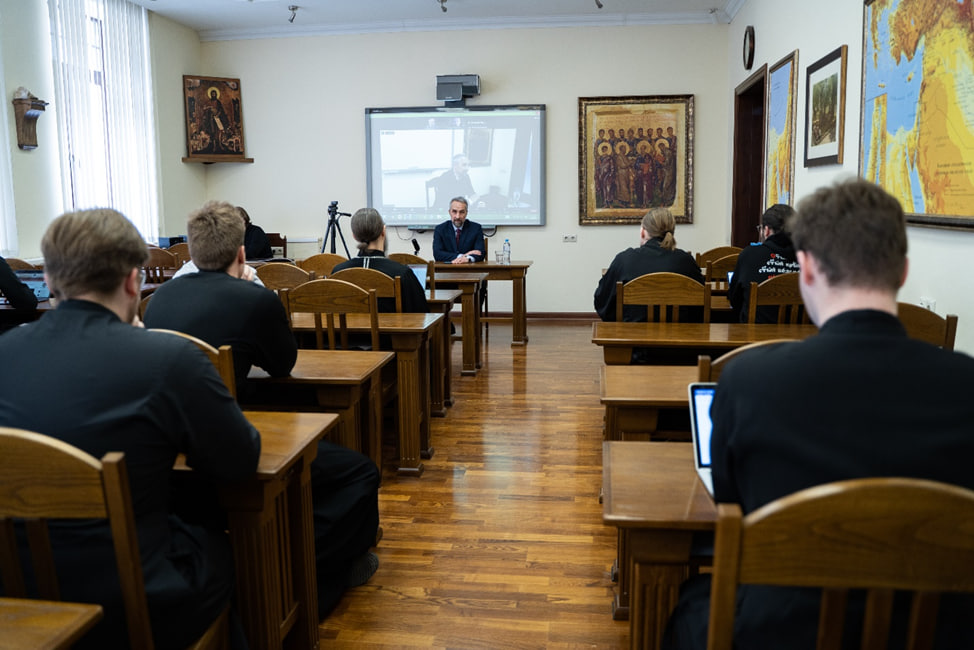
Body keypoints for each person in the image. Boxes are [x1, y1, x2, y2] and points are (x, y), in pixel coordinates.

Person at [663, 178, 974, 649]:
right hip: (937, 631)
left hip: (780, 630)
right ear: (903, 272)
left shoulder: (747, 383)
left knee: (690, 605)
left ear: (805, 270)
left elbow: (729, 496)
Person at [0, 208, 259, 649]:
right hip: (130, 594)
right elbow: (239, 461)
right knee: (225, 548)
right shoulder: (168, 358)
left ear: (49, 277)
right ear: (132, 282)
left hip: (16, 588)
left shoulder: (4, 351)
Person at [143, 200, 381, 620]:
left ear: (190, 251)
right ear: (241, 253)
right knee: (360, 473)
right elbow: (283, 364)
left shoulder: (159, 301)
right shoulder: (252, 299)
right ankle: (303, 562)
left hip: (168, 452)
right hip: (228, 443)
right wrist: (256, 290)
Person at [594, 206, 703, 322]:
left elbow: (602, 301)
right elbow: (701, 303)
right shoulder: (686, 261)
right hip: (679, 336)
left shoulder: (624, 260)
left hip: (632, 336)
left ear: (643, 232)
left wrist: (622, 320)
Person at [331, 207, 428, 313]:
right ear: (383, 231)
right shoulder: (402, 273)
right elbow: (421, 316)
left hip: (347, 330)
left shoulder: (338, 273)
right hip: (389, 329)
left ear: (354, 236)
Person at [727, 203, 801, 322]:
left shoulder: (749, 255)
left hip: (754, 336)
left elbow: (735, 299)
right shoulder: (810, 257)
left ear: (766, 230)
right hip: (802, 336)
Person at [432, 197, 485, 264]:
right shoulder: (440, 229)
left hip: (469, 270)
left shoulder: (476, 228)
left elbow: (480, 253)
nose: (457, 216)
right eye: (454, 212)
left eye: (461, 212)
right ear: (449, 212)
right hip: (447, 270)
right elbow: (437, 254)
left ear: (466, 213)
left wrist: (467, 259)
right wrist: (464, 256)